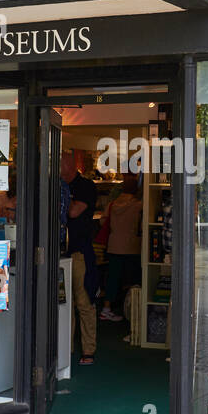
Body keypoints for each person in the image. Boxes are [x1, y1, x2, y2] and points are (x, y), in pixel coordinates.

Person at [60, 150, 98, 365]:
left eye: (60, 163)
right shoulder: (56, 185)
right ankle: (66, 349)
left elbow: (73, 212)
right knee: (64, 304)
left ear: (70, 165)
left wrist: (60, 205)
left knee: (84, 302)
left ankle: (88, 350)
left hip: (79, 251)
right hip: (59, 252)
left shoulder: (85, 186)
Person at [101, 174, 142, 322]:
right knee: (132, 279)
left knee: (112, 278)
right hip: (132, 246)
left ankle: (106, 309)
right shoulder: (139, 205)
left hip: (114, 245)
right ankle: (132, 311)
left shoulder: (112, 204)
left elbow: (102, 222)